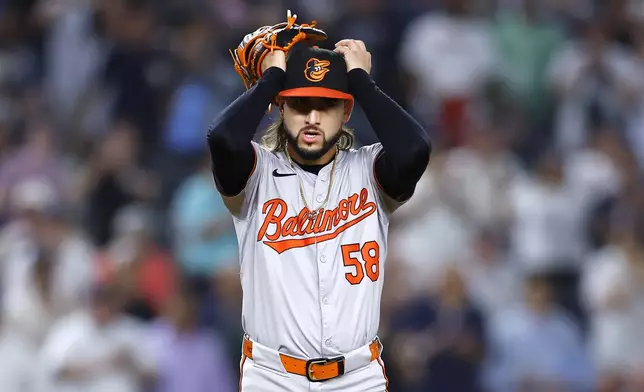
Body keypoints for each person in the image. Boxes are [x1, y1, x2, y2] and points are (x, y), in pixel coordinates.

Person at [206, 15, 432, 392]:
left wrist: (362, 82)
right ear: (282, 108)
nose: (311, 117)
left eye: (326, 105)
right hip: (272, 376)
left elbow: (415, 149)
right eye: (299, 105)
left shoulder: (370, 171)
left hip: (358, 376)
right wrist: (271, 81)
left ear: (345, 112)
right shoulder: (257, 174)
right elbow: (223, 140)